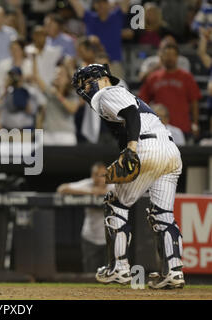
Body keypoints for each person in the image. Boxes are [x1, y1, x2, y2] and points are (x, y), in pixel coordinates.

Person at [72, 64, 185, 289]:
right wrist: (127, 148)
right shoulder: (120, 94)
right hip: (170, 151)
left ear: (99, 78)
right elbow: (127, 125)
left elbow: (131, 114)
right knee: (162, 214)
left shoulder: (107, 93)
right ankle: (173, 272)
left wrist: (132, 149)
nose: (84, 89)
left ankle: (119, 269)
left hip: (147, 147)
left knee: (115, 203)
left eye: (85, 82)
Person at [57, 162, 113, 272]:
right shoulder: (88, 184)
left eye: (103, 175)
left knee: (110, 274)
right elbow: (61, 189)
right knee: (90, 275)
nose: (100, 178)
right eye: (97, 175)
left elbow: (125, 194)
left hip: (110, 238)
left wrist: (103, 192)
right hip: (90, 237)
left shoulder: (113, 185)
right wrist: (90, 192)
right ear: (92, 176)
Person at [139, 43, 201, 141]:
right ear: (161, 57)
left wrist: (195, 123)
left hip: (182, 126)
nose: (170, 58)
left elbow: (194, 102)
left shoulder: (187, 77)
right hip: (159, 127)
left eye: (172, 55)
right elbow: (143, 102)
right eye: (167, 55)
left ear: (177, 57)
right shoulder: (153, 77)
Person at [68, 0, 131, 79]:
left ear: (108, 4)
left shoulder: (117, 16)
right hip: (92, 65)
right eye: (98, 3)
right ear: (94, 5)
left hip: (113, 64)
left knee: (118, 89)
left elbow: (126, 2)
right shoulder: (89, 18)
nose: (101, 5)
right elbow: (75, 3)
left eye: (104, 2)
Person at [0, 66, 46, 132]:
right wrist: (5, 90)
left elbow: (42, 103)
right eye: (11, 76)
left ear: (21, 77)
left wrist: (29, 107)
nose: (13, 79)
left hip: (26, 128)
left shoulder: (29, 89)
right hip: (8, 128)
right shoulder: (5, 90)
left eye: (15, 76)